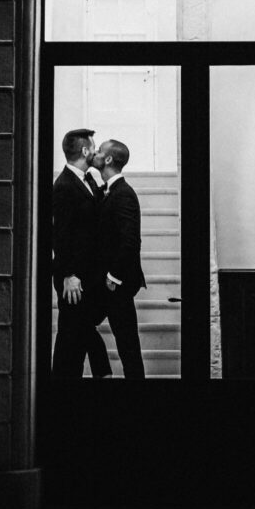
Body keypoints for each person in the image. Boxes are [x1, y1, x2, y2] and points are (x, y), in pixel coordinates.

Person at [51, 128, 112, 379]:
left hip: (87, 275)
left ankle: (65, 381)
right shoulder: (64, 185)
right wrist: (69, 274)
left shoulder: (88, 180)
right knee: (77, 329)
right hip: (74, 277)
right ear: (85, 151)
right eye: (94, 147)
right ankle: (103, 373)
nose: (96, 151)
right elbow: (60, 234)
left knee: (72, 333)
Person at [93, 139, 146, 379]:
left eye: (99, 151)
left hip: (118, 283)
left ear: (108, 159)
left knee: (127, 345)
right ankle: (104, 373)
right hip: (109, 282)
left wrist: (113, 277)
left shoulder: (124, 193)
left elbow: (131, 242)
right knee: (81, 325)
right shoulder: (107, 191)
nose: (94, 153)